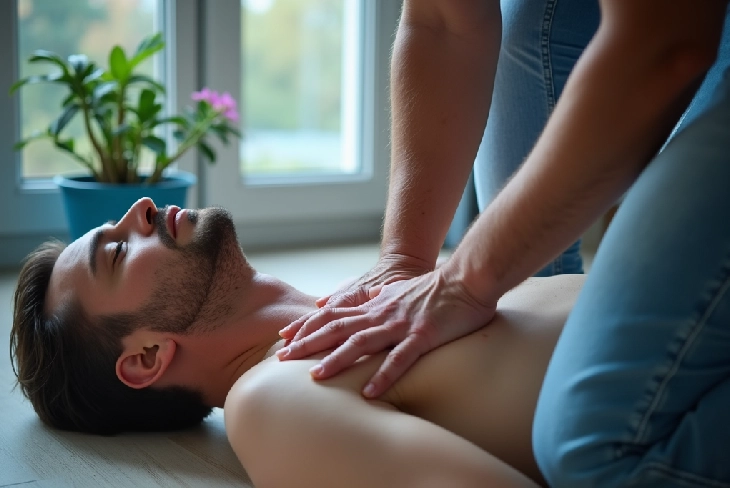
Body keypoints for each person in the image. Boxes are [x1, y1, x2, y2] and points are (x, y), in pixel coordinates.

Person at [277, 0, 730, 486]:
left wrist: (460, 283)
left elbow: (666, 43)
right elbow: (442, 20)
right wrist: (402, 259)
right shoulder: (269, 394)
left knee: (595, 451)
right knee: (528, 20)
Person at [12, 197, 586, 487]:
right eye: (115, 252)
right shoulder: (270, 397)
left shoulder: (378, 291)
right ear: (145, 357)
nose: (139, 208)